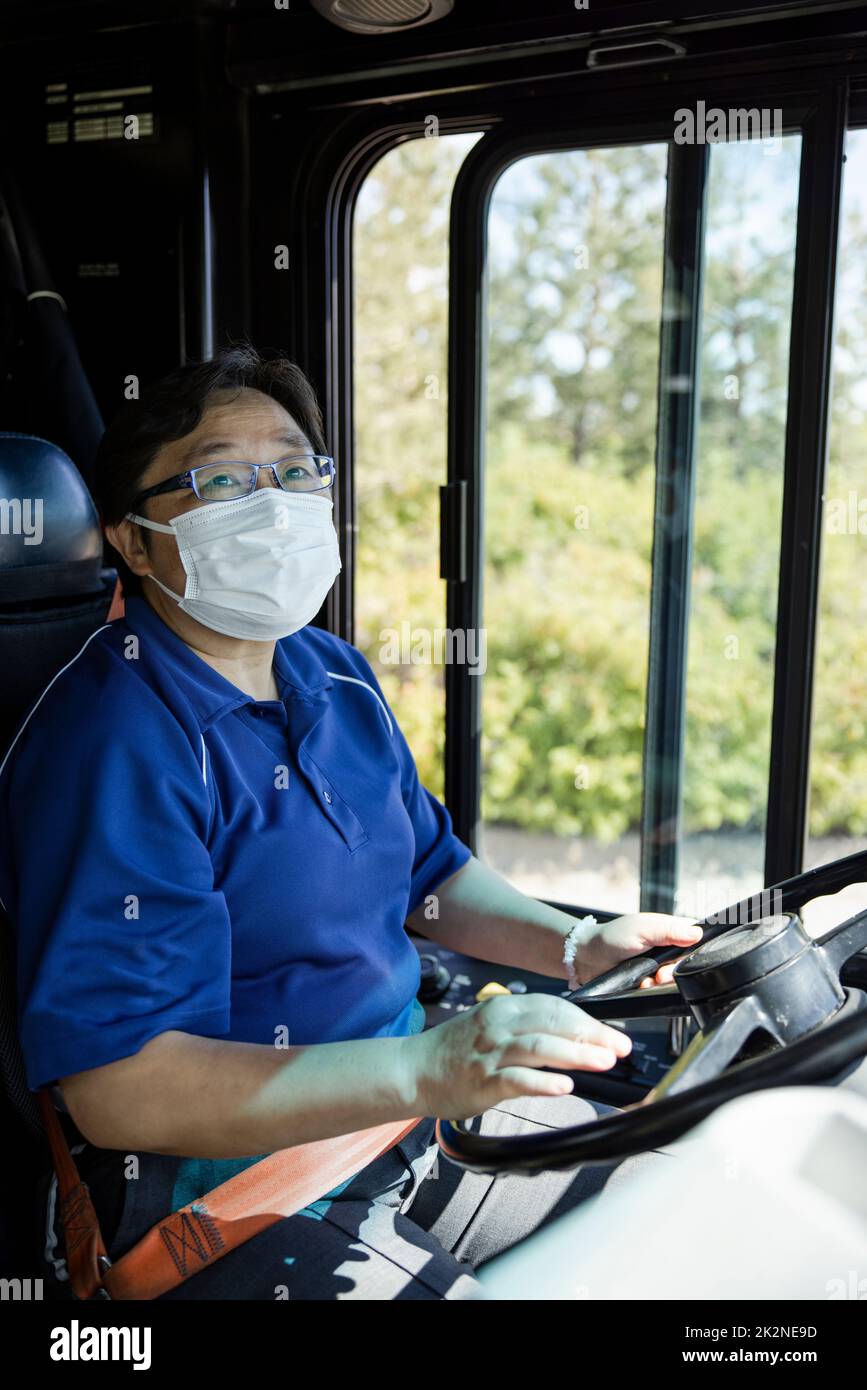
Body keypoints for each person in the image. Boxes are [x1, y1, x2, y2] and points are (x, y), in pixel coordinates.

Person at [0, 343, 702, 1300]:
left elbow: (432, 879)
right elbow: (124, 1091)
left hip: (401, 1124)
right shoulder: (114, 742)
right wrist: (425, 1066)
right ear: (132, 540)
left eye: (293, 471)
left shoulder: (331, 672)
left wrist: (577, 945)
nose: (273, 502)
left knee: (682, 1220)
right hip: (224, 1188)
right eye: (219, 480)